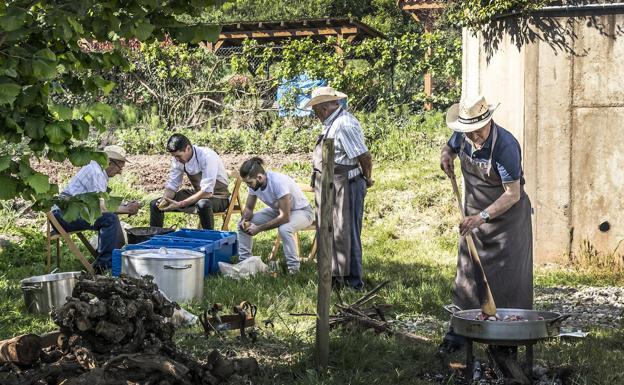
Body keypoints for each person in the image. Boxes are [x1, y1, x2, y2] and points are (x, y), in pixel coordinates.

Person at [438, 95, 533, 353]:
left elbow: (513, 194)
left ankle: (505, 340)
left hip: (507, 221)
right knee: (467, 272)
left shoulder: (505, 146)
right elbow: (451, 147)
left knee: (507, 277)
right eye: (468, 132)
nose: (473, 137)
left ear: (488, 121)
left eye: (477, 131)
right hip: (473, 216)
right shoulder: (463, 134)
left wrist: (482, 217)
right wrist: (446, 155)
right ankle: (459, 332)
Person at [305, 86, 374, 290]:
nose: (315, 114)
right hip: (330, 185)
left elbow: (364, 156)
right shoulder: (332, 122)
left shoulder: (343, 124)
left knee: (346, 231)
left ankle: (353, 282)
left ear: (324, 108)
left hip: (347, 185)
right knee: (331, 230)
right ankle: (334, 275)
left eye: (316, 110)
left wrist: (367, 178)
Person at [52, 145, 139, 273]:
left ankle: (114, 258)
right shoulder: (96, 172)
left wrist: (124, 206)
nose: (120, 172)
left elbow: (101, 202)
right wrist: (127, 209)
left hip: (68, 212)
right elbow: (101, 207)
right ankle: (104, 265)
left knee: (111, 217)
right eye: (120, 167)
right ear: (110, 162)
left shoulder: (97, 169)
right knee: (109, 219)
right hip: (62, 216)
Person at [237, 157, 314, 273]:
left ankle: (294, 270)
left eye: (249, 183)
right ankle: (245, 263)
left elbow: (285, 217)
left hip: (302, 211)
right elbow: (248, 208)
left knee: (284, 229)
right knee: (241, 225)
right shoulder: (254, 184)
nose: (248, 186)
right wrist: (244, 220)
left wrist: (259, 229)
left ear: (259, 177)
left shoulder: (278, 182)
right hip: (279, 210)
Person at [150, 134, 229, 230]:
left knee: (203, 204)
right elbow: (172, 185)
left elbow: (207, 192)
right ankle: (154, 238)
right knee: (155, 205)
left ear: (188, 148)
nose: (177, 159)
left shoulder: (207, 156)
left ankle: (208, 239)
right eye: (174, 156)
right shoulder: (177, 160)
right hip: (197, 194)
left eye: (179, 156)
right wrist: (164, 199)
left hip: (218, 197)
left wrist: (182, 203)